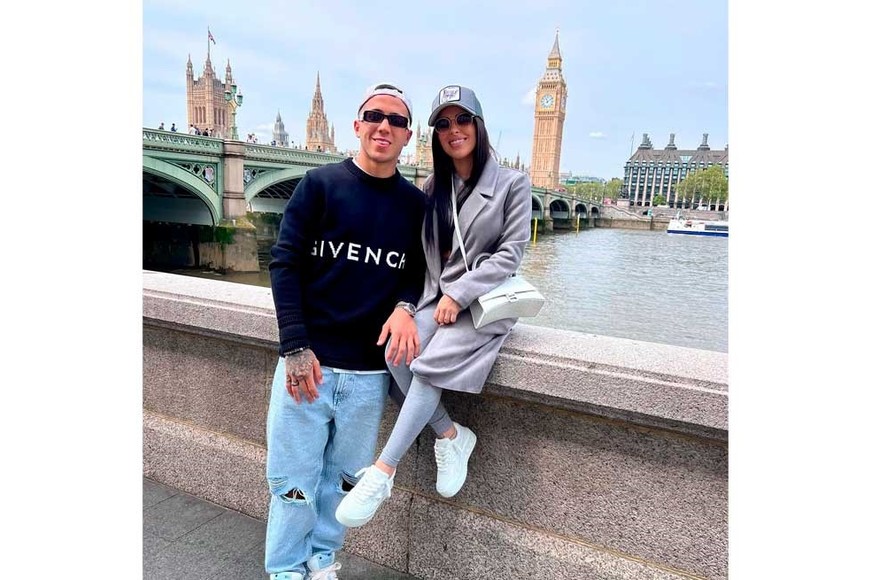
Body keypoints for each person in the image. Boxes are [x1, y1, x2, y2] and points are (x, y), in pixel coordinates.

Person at [335, 85, 532, 528]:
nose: (453, 130)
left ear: (478, 127)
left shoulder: (513, 184)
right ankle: (451, 433)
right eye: (443, 123)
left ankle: (382, 473)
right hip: (435, 297)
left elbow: (510, 254)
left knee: (427, 367)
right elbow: (423, 253)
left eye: (463, 120)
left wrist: (458, 293)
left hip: (482, 301)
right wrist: (409, 305)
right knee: (394, 353)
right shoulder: (432, 186)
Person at [265, 82, 425, 580]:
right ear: (357, 126)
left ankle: (323, 559)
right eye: (375, 116)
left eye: (396, 121)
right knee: (293, 481)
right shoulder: (319, 185)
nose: (385, 126)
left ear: (408, 137)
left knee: (345, 481)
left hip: (369, 374)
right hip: (308, 364)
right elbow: (285, 262)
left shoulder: (416, 206)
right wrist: (294, 346)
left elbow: (418, 274)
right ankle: (287, 569)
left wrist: (405, 305)